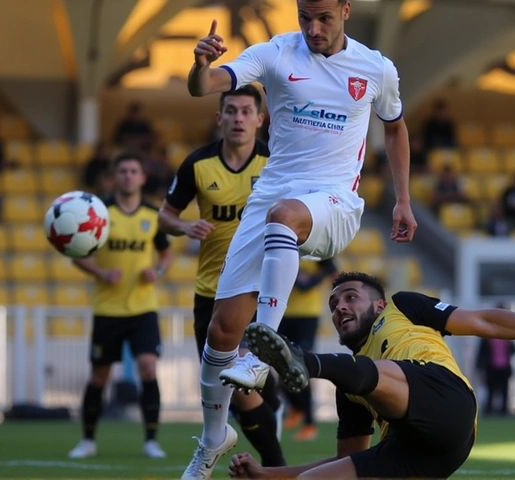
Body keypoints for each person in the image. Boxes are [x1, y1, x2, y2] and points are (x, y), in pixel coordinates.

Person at [181, 0, 417, 477]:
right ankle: (212, 438)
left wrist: (402, 199)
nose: (312, 28)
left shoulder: (375, 68)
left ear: (346, 10)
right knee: (221, 331)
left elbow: (394, 129)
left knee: (284, 216)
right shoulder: (274, 54)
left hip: (334, 204)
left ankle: (263, 352)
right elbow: (206, 86)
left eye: (323, 18)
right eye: (304, 17)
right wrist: (200, 65)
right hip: (271, 200)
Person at [235, 271, 515, 479]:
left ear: (379, 304)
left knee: (363, 371)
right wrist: (272, 475)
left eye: (350, 296)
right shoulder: (349, 383)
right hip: (418, 456)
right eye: (334, 304)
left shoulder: (401, 307)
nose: (339, 307)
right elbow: (345, 461)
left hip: (446, 403)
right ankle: (303, 363)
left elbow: (483, 320)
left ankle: (303, 360)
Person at [158, 85, 286, 467]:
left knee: (238, 389)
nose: (239, 119)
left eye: (247, 112)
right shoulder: (197, 165)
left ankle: (275, 468)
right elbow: (165, 215)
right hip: (210, 291)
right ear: (220, 118)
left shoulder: (275, 162)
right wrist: (183, 227)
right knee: (236, 393)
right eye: (231, 111)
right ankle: (269, 399)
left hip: (256, 290)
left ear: (261, 119)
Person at [68, 151, 173, 460]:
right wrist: (100, 272)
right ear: (115, 177)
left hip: (143, 308)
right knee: (99, 376)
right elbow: (77, 254)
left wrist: (159, 271)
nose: (128, 176)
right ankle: (88, 440)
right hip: (107, 309)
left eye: (133, 171)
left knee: (148, 368)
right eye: (123, 171)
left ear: (142, 178)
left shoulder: (153, 215)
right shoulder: (98, 213)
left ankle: (151, 440)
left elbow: (165, 253)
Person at [279, 258, 338, 441]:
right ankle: (295, 407)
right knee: (278, 365)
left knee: (300, 366)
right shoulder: (281, 246)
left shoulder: (316, 250)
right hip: (282, 312)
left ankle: (309, 423)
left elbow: (331, 271)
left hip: (307, 316)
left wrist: (309, 279)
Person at [476, 304, 515, 416]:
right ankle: (489, 412)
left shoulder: (508, 332)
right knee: (491, 391)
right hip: (491, 367)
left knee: (504, 392)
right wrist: (480, 369)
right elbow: (481, 353)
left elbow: (514, 350)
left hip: (504, 367)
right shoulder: (487, 333)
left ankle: (504, 412)